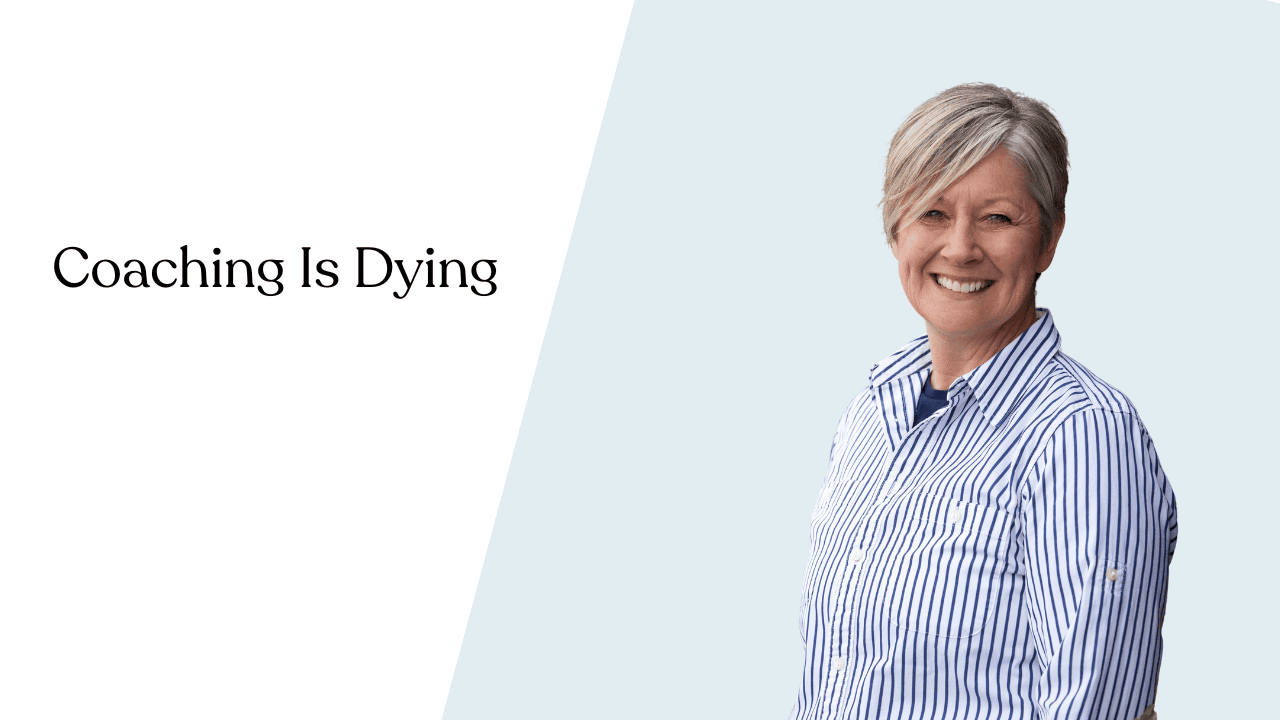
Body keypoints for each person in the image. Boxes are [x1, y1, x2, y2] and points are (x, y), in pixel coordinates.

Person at [789, 83, 1177, 720]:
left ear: (1048, 240)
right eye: (933, 214)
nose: (961, 246)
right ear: (895, 232)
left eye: (997, 218)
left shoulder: (1082, 438)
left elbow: (1100, 708)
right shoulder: (872, 409)